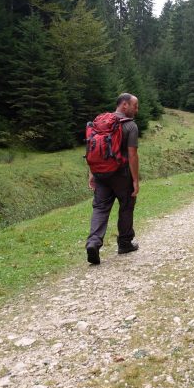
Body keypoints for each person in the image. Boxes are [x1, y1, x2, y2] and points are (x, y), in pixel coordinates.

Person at [86, 93, 140, 265]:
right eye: (135, 106)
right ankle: (124, 243)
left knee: (100, 208)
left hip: (101, 174)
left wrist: (92, 173)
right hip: (121, 174)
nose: (137, 110)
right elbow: (132, 155)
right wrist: (135, 180)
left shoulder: (100, 122)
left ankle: (93, 242)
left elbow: (92, 149)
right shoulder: (130, 126)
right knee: (126, 205)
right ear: (124, 105)